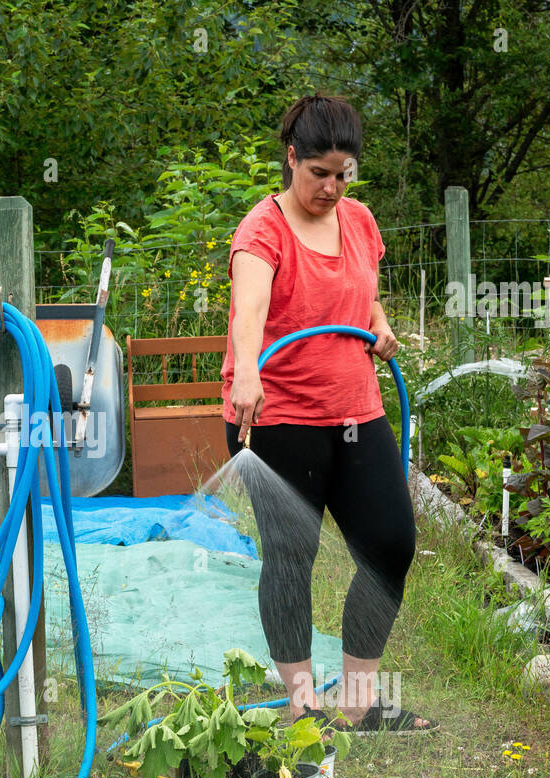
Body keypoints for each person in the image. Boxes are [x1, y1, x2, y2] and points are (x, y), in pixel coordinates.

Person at [220, 93, 436, 734]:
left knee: (391, 544)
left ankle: (359, 703)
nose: (332, 188)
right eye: (320, 173)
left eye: (344, 175)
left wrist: (381, 324)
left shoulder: (360, 221)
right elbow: (250, 310)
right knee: (293, 553)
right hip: (275, 414)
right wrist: (249, 371)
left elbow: (363, 293)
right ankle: (302, 705)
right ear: (292, 159)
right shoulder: (262, 231)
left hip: (355, 409)